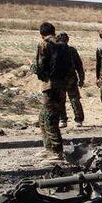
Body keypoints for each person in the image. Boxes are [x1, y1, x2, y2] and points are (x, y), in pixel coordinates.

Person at [31, 22, 72, 162]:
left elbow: (39, 67)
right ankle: (48, 148)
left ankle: (56, 151)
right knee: (43, 117)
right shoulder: (63, 45)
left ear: (41, 34)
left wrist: (32, 66)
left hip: (50, 86)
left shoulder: (44, 44)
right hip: (62, 85)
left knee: (49, 119)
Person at [56, 32, 85, 128]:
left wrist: (81, 78)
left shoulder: (72, 51)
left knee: (73, 100)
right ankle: (64, 119)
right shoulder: (56, 51)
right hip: (61, 80)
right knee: (62, 100)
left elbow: (79, 66)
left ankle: (77, 119)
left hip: (70, 80)